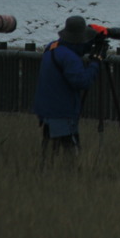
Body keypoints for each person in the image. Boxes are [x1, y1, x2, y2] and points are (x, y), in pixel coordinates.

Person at [32, 16, 102, 160]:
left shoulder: (52, 47)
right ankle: (70, 177)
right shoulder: (70, 58)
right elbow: (82, 82)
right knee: (71, 153)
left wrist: (87, 47)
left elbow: (73, 49)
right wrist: (96, 62)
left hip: (46, 110)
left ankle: (46, 175)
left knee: (49, 150)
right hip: (63, 111)